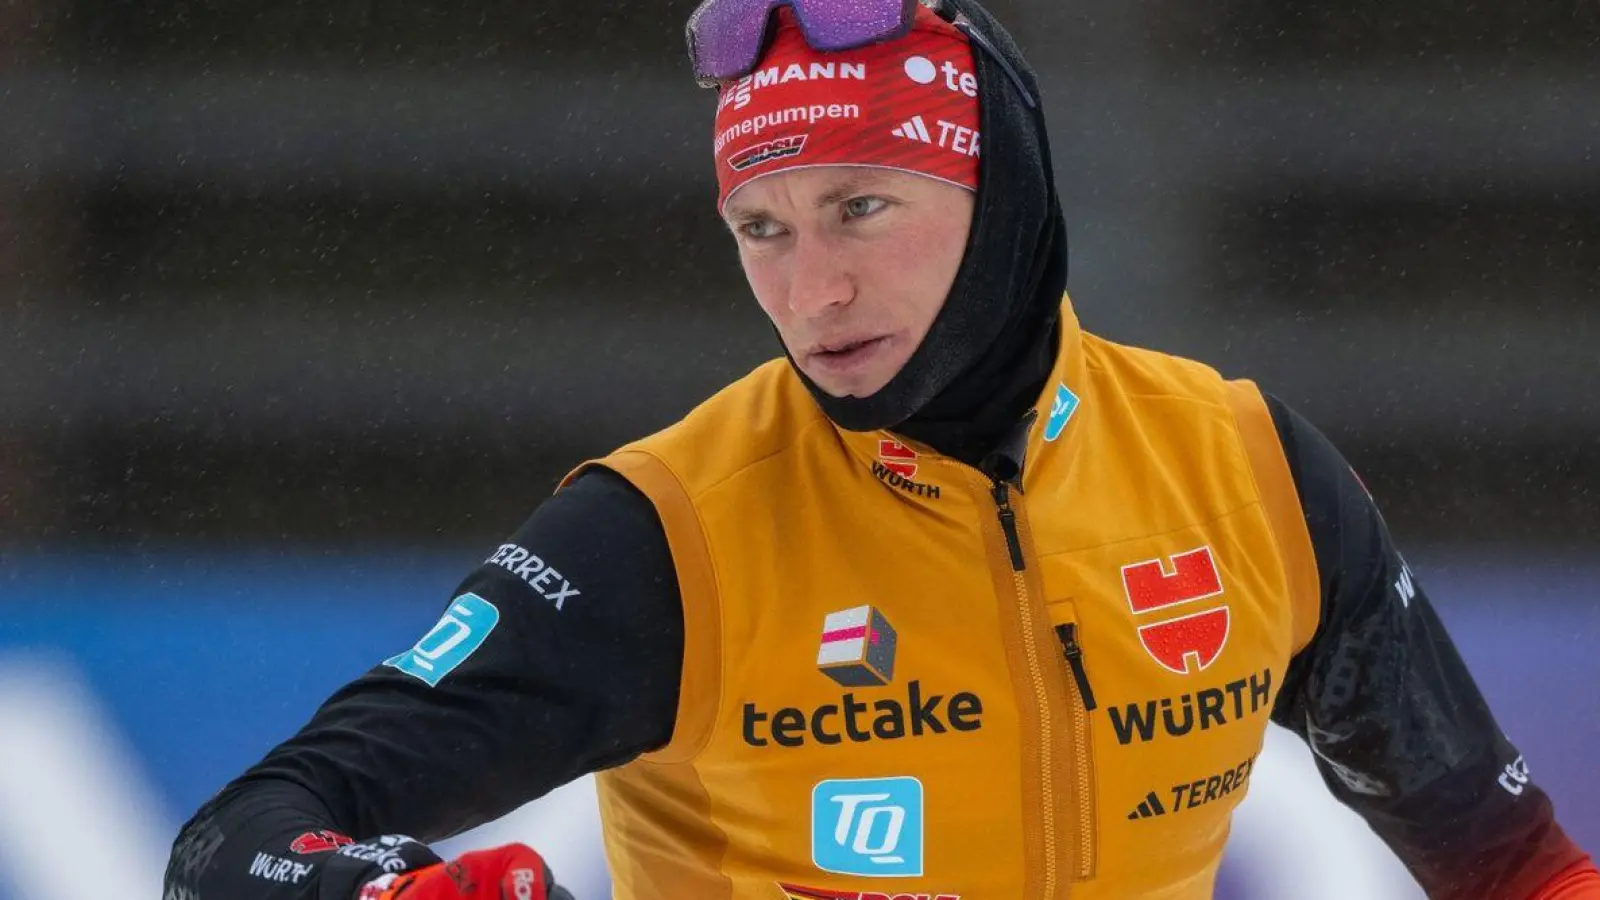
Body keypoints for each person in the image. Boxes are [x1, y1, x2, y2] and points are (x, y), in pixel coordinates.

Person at [164, 0, 1600, 898]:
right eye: (762, 230)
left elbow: (1514, 866)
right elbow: (237, 840)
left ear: (1004, 191)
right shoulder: (664, 532)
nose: (811, 293)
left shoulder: (1241, 466)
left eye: (863, 207)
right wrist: (372, 891)